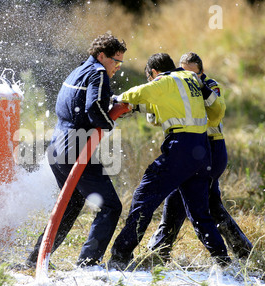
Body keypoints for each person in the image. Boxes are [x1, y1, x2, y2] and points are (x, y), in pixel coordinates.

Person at [109, 53, 231, 269]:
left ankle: (120, 256)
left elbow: (142, 92)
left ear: (154, 73)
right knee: (200, 214)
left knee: (143, 196)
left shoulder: (164, 80)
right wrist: (137, 107)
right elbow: (168, 106)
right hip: (203, 150)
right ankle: (223, 262)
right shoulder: (191, 79)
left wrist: (119, 99)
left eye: (150, 78)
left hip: (181, 148)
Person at [26, 33, 127, 268]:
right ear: (102, 56)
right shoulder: (99, 73)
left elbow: (79, 105)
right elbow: (93, 109)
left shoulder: (80, 69)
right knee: (111, 206)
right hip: (75, 152)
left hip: (56, 150)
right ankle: (88, 263)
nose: (118, 68)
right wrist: (111, 120)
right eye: (115, 61)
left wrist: (110, 104)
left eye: (121, 63)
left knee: (69, 206)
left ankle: (35, 260)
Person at [148, 52, 253, 260]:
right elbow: (155, 117)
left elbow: (212, 115)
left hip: (212, 150)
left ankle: (159, 252)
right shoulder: (176, 84)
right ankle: (242, 251)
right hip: (194, 150)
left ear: (202, 72)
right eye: (184, 72)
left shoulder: (210, 86)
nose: (190, 78)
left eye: (194, 74)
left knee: (197, 203)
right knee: (190, 201)